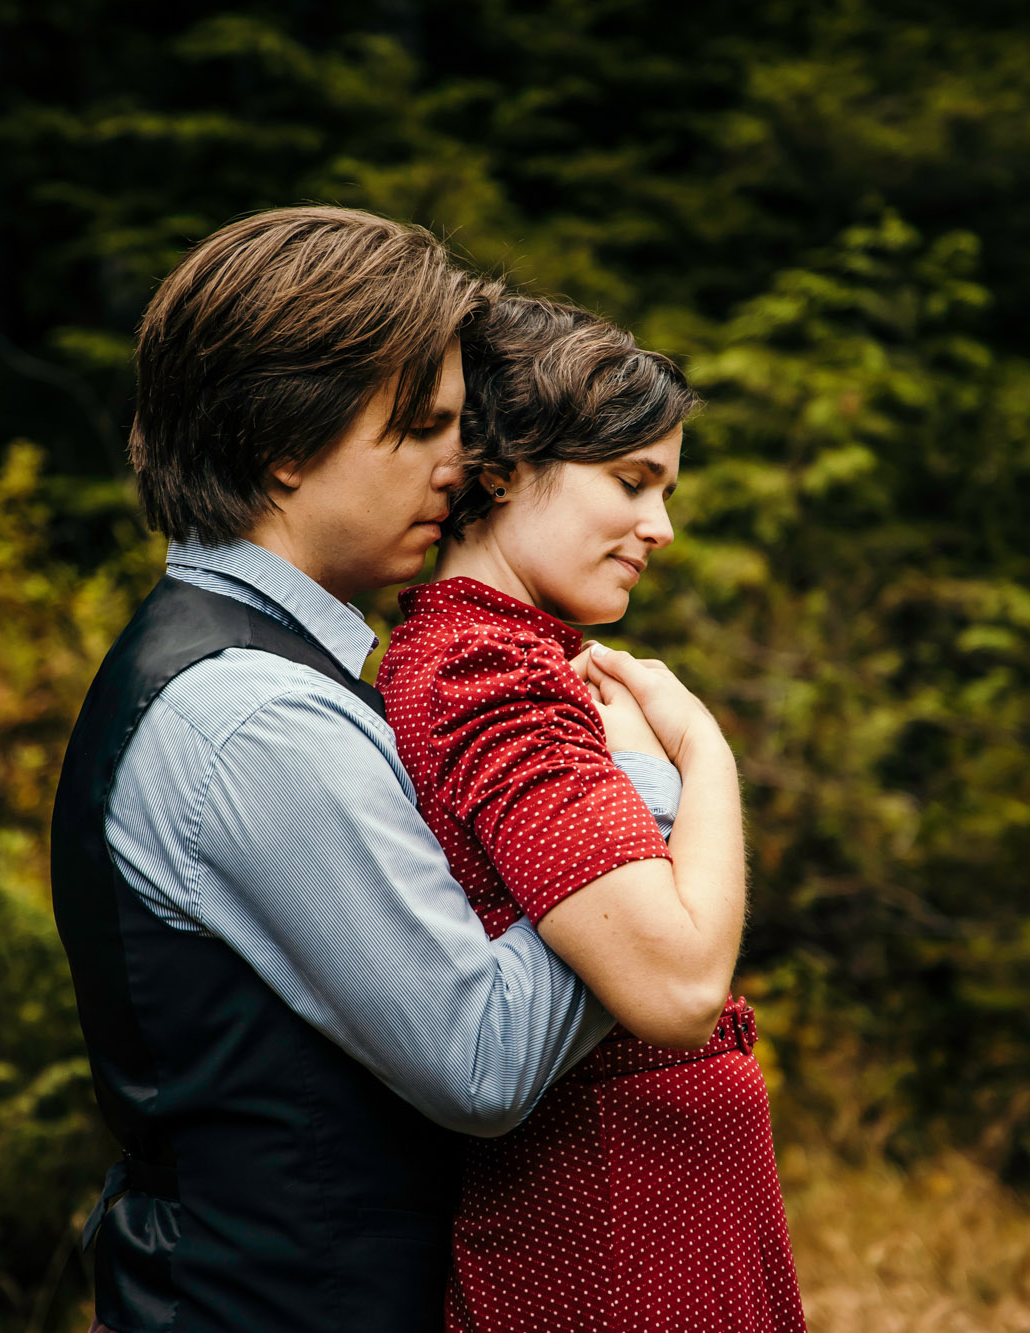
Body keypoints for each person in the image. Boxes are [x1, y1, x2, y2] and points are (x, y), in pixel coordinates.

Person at [50, 208, 700, 1333]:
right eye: (424, 426)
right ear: (283, 445)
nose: (465, 462)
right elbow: (483, 1058)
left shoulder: (238, 667)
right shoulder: (253, 714)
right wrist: (639, 792)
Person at [376, 294, 808, 1332]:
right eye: (631, 482)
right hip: (611, 1237)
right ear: (506, 466)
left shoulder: (515, 655)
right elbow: (674, 985)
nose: (660, 527)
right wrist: (704, 754)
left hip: (641, 1216)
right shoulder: (489, 673)